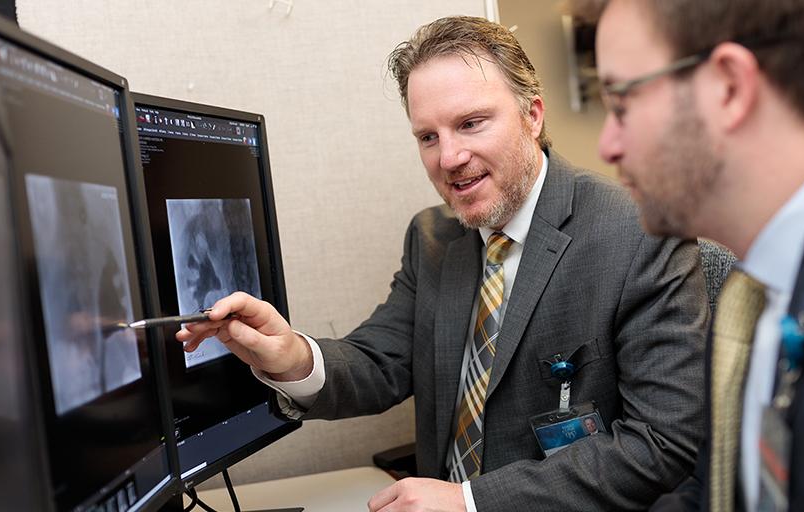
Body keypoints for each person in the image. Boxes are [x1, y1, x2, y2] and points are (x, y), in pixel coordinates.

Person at [180, 15, 709, 511]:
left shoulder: (640, 236)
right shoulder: (432, 238)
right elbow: (381, 363)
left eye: (471, 123)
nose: (448, 158)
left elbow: (659, 444)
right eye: (428, 137)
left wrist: (469, 503)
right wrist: (293, 356)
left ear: (532, 115)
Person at [584, 0, 804, 510]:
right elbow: (721, 491)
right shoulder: (750, 291)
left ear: (729, 87)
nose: (607, 145)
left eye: (620, 104)